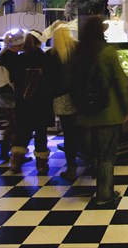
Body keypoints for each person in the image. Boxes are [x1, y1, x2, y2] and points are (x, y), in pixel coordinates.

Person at [73, 16, 128, 206]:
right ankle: (104, 195)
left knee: (93, 153)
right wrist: (126, 107)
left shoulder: (78, 51)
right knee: (107, 156)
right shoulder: (108, 52)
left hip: (84, 113)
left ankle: (96, 179)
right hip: (108, 112)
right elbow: (120, 82)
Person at [9, 30, 54, 174]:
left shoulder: (19, 59)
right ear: (39, 42)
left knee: (23, 132)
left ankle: (16, 161)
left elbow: (14, 81)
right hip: (41, 103)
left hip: (23, 104)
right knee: (41, 134)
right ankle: (41, 164)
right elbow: (49, 82)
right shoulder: (45, 58)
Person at [47, 23, 79, 181]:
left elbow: (48, 81)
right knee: (85, 130)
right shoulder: (78, 50)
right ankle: (94, 164)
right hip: (80, 97)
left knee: (69, 134)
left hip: (60, 99)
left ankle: (71, 168)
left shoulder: (51, 55)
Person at [0, 29, 25, 161]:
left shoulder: (3, 55)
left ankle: (8, 152)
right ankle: (11, 153)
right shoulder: (13, 58)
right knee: (15, 124)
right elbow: (14, 81)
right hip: (8, 94)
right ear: (20, 44)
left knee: (12, 124)